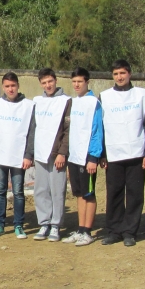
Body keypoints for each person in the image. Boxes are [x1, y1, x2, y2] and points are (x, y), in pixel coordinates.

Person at [100, 59, 145, 247]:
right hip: (114, 154)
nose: (119, 77)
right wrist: (102, 154)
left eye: (122, 73)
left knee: (134, 194)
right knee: (114, 194)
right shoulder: (105, 96)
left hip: (136, 153)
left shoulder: (142, 94)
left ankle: (130, 232)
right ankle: (114, 230)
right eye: (116, 74)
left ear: (129, 74)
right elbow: (101, 127)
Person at [0, 72, 36, 239]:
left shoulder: (28, 105)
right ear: (3, 87)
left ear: (18, 85)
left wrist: (28, 155)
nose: (10, 89)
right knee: (0, 191)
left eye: (13, 85)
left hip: (18, 157)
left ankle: (19, 225)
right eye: (7, 86)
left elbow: (31, 132)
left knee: (18, 192)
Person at [61, 67, 104, 247]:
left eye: (80, 81)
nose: (77, 85)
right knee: (79, 193)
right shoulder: (74, 102)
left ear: (87, 82)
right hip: (74, 156)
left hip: (88, 157)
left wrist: (94, 157)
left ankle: (88, 231)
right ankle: (80, 228)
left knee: (89, 193)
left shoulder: (94, 103)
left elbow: (97, 131)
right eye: (74, 82)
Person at [31, 68, 71, 242]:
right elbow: (33, 128)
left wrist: (62, 153)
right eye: (44, 82)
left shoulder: (66, 101)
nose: (48, 85)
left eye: (50, 81)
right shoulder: (37, 101)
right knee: (41, 189)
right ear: (40, 84)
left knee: (57, 190)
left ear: (56, 80)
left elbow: (68, 130)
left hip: (57, 155)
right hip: (40, 154)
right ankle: (44, 223)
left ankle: (56, 225)